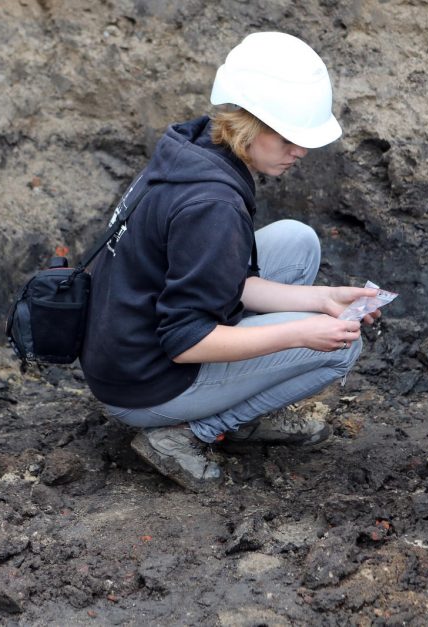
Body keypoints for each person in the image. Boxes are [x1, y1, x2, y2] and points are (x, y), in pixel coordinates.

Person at [80, 32, 380, 493]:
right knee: (341, 347)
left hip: (119, 345)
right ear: (248, 122)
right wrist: (303, 331)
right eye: (288, 138)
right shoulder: (212, 205)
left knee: (298, 244)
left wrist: (324, 299)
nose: (299, 152)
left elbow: (228, 280)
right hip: (143, 384)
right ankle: (187, 431)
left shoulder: (195, 147)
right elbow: (184, 340)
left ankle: (235, 399)